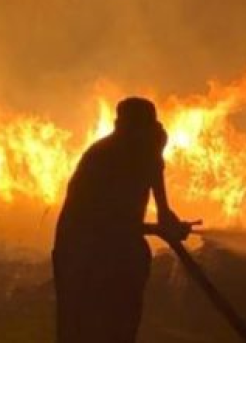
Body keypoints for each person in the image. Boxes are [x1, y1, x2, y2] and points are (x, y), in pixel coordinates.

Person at [53, 98, 191, 343]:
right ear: (122, 127)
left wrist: (165, 217)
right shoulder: (103, 159)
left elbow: (156, 178)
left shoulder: (147, 148)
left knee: (121, 322)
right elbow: (102, 222)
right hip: (81, 252)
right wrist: (156, 227)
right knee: (80, 328)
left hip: (119, 248)